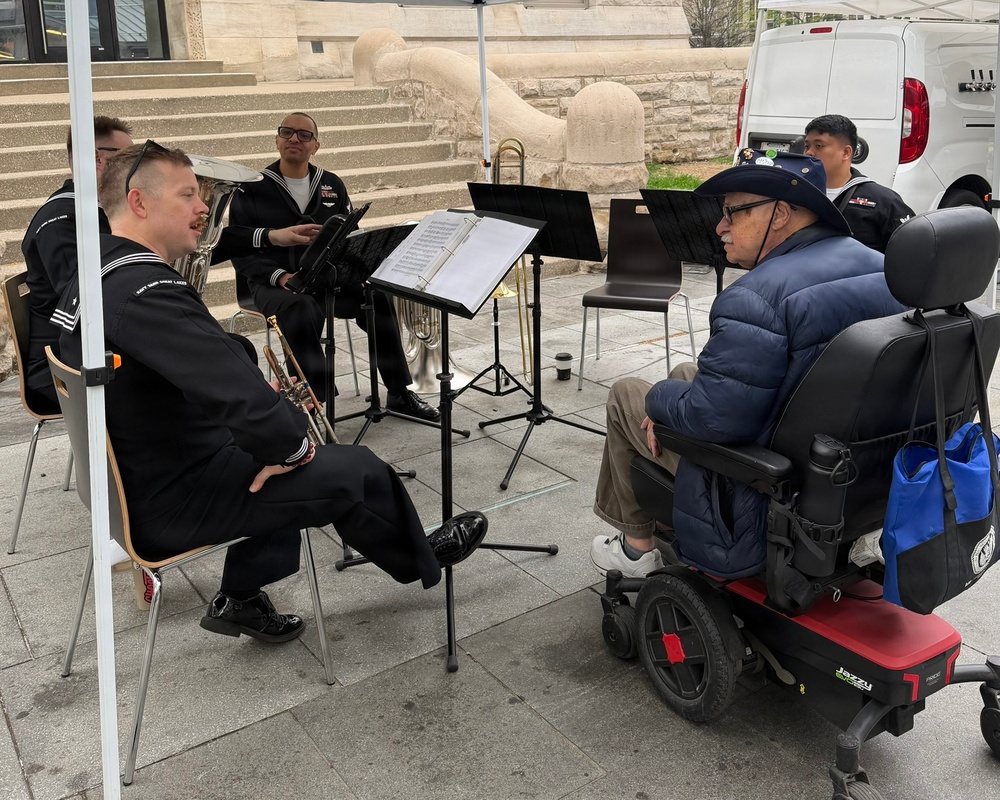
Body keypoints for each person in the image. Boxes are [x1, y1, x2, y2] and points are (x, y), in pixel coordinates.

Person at [52, 142, 487, 642]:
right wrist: (294, 442)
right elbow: (235, 395)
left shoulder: (97, 274)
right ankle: (423, 559)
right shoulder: (146, 293)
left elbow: (182, 368)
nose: (201, 208)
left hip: (133, 479)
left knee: (266, 447)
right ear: (139, 203)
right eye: (188, 195)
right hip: (167, 501)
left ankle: (240, 596)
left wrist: (262, 411)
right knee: (353, 467)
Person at [590, 150, 905, 579]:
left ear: (780, 214)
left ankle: (636, 549)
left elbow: (713, 420)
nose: (720, 228)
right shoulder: (882, 267)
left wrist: (658, 404)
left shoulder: (756, 298)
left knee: (629, 393)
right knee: (687, 373)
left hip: (757, 491)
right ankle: (660, 521)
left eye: (733, 213)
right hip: (849, 473)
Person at [21, 115, 319, 412]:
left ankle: (240, 438)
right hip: (73, 366)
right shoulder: (61, 221)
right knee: (223, 359)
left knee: (233, 350)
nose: (136, 167)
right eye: (128, 158)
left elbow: (187, 250)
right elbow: (98, 300)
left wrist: (270, 237)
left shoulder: (97, 212)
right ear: (97, 159)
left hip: (114, 345)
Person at [229, 112, 439, 419]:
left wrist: (360, 273)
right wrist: (280, 277)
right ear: (276, 140)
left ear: (316, 146)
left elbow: (350, 238)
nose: (294, 139)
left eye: (303, 135)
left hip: (326, 279)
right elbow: (240, 246)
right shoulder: (252, 188)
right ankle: (312, 404)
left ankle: (398, 392)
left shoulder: (331, 184)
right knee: (301, 307)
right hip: (273, 284)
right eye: (287, 132)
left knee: (377, 298)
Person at [803, 114, 915, 253]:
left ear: (846, 152)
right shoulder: (797, 194)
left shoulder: (884, 201)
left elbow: (911, 253)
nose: (809, 153)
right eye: (807, 146)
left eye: (819, 146)